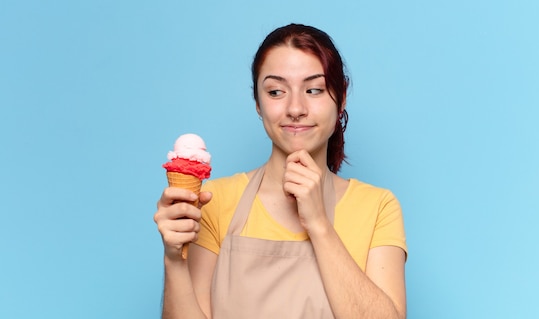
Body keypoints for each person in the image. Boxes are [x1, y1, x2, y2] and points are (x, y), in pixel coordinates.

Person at [154, 23, 407, 319]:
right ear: (258, 104)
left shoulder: (378, 208)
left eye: (313, 90)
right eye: (276, 91)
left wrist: (319, 224)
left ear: (341, 98)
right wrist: (174, 258)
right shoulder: (214, 202)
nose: (295, 108)